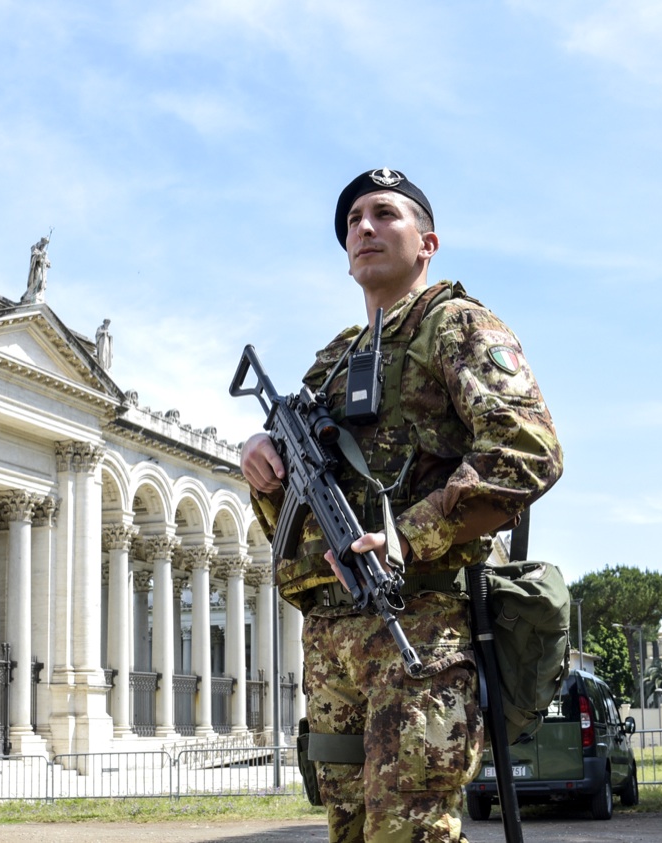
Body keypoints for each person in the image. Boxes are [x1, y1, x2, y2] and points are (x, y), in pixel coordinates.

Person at [240, 168, 563, 842]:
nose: (363, 227)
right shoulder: (332, 360)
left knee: (410, 829)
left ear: (428, 242)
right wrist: (261, 464)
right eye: (354, 219)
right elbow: (293, 500)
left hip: (419, 620)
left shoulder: (456, 326)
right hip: (332, 632)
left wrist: (408, 536)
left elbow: (527, 450)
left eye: (384, 213)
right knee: (349, 826)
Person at [22, 236, 51, 303]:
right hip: (36, 268)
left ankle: (38, 294)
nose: (43, 246)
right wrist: (41, 255)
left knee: (41, 281)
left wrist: (47, 262)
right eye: (43, 244)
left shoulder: (44, 251)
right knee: (36, 280)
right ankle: (32, 294)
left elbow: (46, 260)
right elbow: (35, 256)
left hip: (42, 269)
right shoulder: (34, 247)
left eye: (45, 245)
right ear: (41, 242)